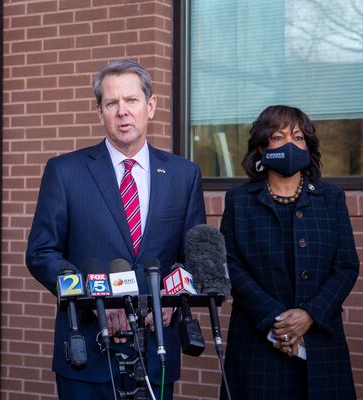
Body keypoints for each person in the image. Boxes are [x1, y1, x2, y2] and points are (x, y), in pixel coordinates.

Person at [26, 59, 205, 399]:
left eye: (132, 100)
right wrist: (94, 300)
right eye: (112, 103)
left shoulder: (184, 175)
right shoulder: (65, 172)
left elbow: (193, 257)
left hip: (157, 352)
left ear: (150, 106)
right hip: (87, 351)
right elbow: (41, 253)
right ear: (100, 112)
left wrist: (171, 298)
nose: (123, 111)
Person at [220, 105, 358, 400]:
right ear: (261, 148)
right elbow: (230, 265)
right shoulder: (239, 201)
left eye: (298, 138)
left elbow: (346, 266)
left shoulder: (331, 199)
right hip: (257, 347)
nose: (290, 145)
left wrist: (309, 314)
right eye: (278, 137)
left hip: (321, 344)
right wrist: (277, 320)